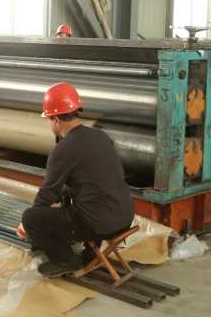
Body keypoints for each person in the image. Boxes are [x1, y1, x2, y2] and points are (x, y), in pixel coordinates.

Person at [19, 82, 135, 277]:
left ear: (56, 119)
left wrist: (26, 226)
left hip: (99, 224)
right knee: (79, 198)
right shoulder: (100, 135)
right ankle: (91, 254)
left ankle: (65, 260)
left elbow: (48, 193)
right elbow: (98, 179)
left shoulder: (63, 149)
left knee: (31, 217)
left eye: (48, 119)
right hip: (124, 216)